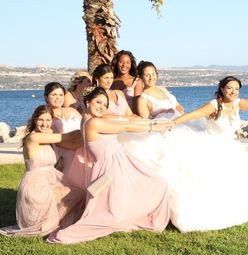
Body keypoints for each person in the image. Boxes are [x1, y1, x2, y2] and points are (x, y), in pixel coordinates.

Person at [158, 76, 248, 231]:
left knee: (230, 180)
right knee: (207, 182)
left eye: (236, 89)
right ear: (222, 89)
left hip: (228, 146)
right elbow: (194, 114)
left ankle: (230, 210)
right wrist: (173, 123)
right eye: (230, 88)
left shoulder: (237, 104)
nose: (233, 92)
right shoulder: (214, 105)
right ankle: (204, 214)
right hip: (209, 146)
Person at [48, 88, 173, 244]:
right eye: (98, 102)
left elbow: (125, 121)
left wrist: (149, 121)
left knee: (155, 185)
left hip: (117, 163)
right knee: (118, 213)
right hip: (110, 168)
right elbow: (125, 127)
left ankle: (139, 217)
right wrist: (154, 126)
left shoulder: (90, 118)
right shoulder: (93, 122)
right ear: (88, 101)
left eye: (105, 104)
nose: (102, 106)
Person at [0, 106, 84, 237]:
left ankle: (57, 223)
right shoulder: (34, 138)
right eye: (40, 120)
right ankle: (46, 224)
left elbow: (72, 144)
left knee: (78, 194)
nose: (44, 124)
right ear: (34, 120)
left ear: (52, 121)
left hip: (48, 181)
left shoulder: (48, 136)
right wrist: (89, 126)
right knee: (75, 195)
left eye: (48, 120)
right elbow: (67, 137)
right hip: (35, 187)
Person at [44, 82, 85, 190]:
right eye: (54, 95)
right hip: (65, 154)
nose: (58, 98)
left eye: (61, 95)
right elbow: (58, 142)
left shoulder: (72, 110)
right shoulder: (47, 118)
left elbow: (85, 127)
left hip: (84, 151)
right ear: (46, 97)